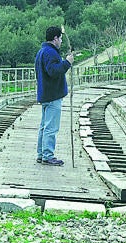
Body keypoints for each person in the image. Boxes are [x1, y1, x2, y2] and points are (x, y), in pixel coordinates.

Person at [35, 26, 74, 166]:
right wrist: (67, 63)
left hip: (45, 94)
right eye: (61, 39)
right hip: (52, 95)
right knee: (51, 127)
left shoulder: (41, 52)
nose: (62, 42)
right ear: (55, 38)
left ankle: (41, 154)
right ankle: (48, 155)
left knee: (44, 127)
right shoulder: (51, 53)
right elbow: (53, 71)